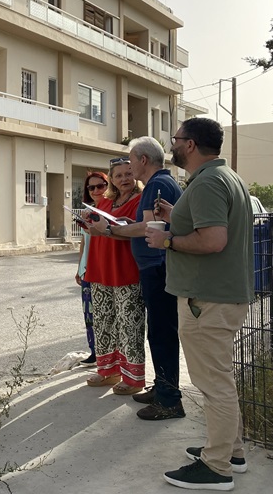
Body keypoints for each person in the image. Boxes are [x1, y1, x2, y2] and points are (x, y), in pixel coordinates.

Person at [146, 118, 253, 490]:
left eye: (175, 139)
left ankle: (217, 467)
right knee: (219, 379)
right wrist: (174, 218)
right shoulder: (225, 177)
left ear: (189, 145)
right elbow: (208, 226)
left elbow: (213, 240)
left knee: (214, 384)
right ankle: (231, 452)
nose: (171, 145)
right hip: (217, 297)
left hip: (206, 300)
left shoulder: (207, 182)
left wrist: (167, 242)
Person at [90, 136, 185, 420]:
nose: (129, 169)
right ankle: (163, 388)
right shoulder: (161, 183)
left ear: (143, 160)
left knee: (162, 334)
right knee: (157, 332)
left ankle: (169, 399)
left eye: (131, 161)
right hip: (156, 267)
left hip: (157, 267)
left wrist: (110, 230)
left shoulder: (156, 184)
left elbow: (147, 227)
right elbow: (148, 224)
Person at [83, 157, 145, 395]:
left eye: (128, 174)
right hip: (100, 268)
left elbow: (136, 230)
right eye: (118, 175)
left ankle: (133, 378)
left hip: (125, 269)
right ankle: (108, 370)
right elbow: (100, 230)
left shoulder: (140, 201)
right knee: (103, 321)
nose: (124, 179)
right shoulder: (107, 201)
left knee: (129, 325)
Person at [74, 170, 109, 366]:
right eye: (91, 187)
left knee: (104, 314)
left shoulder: (109, 211)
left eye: (100, 186)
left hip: (103, 269)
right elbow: (84, 242)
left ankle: (108, 356)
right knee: (89, 313)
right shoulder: (88, 212)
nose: (96, 190)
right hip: (87, 269)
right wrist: (80, 268)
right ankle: (95, 352)